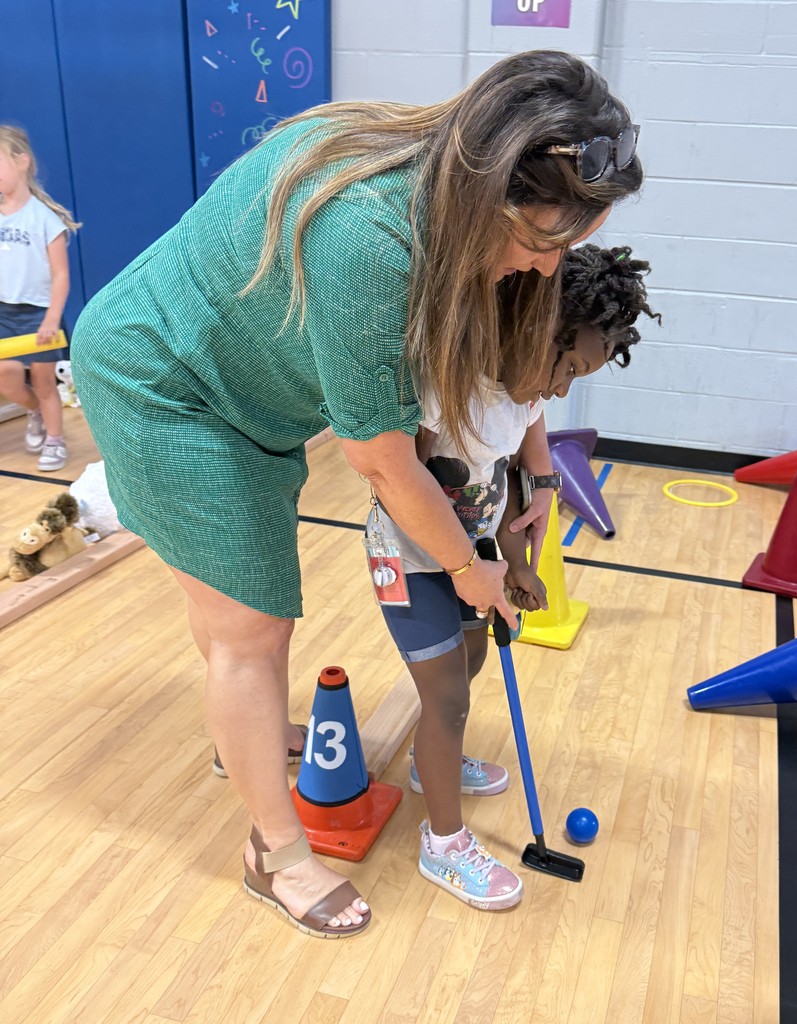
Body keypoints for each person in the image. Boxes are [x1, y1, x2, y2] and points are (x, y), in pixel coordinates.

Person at [71, 50, 643, 939]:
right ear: (489, 190)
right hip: (166, 387)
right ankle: (277, 853)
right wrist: (471, 570)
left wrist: (533, 480)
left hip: (250, 398)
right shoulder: (369, 238)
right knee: (253, 627)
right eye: (538, 245)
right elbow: (378, 461)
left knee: (233, 612)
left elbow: (514, 387)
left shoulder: (437, 184)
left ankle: (243, 738)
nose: (541, 271)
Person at [367, 244, 659, 910]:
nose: (561, 388)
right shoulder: (450, 385)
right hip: (408, 558)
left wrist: (517, 562)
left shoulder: (522, 395)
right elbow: (403, 486)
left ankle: (427, 765)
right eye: (567, 366)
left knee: (468, 664)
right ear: (533, 329)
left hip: (472, 557)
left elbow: (499, 485)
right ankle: (443, 846)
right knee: (444, 697)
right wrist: (469, 566)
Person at [0, 125, 79, 472]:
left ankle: (55, 441)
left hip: (38, 313)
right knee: (6, 375)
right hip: (4, 310)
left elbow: (61, 275)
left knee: (46, 381)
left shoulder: (44, 219)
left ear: (21, 162)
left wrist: (51, 318)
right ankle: (32, 411)